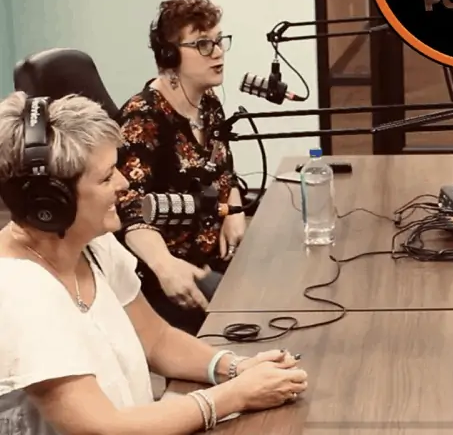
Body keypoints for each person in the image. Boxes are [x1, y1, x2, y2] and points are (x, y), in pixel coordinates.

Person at [0, 92, 308, 434]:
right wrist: (236, 396)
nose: (124, 183)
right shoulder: (18, 294)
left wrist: (235, 367)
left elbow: (156, 340)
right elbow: (105, 428)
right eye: (106, 177)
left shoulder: (93, 244)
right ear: (49, 203)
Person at [115, 0, 246, 335]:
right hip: (170, 275)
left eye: (219, 41)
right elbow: (129, 206)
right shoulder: (143, 116)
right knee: (253, 317)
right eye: (203, 44)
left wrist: (234, 210)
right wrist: (165, 266)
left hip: (214, 258)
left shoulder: (209, 103)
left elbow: (223, 169)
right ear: (170, 55)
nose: (217, 52)